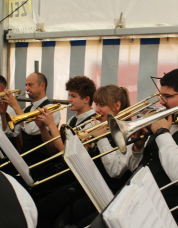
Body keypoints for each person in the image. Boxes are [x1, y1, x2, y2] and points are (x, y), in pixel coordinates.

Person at [105, 68, 178, 228]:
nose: (161, 102)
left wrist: (162, 134)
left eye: (168, 96)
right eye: (162, 96)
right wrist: (138, 148)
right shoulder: (169, 123)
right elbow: (138, 169)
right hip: (147, 208)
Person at [36, 84, 133, 228]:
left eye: (102, 105)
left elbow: (115, 172)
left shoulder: (129, 131)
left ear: (117, 105)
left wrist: (100, 139)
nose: (97, 110)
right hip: (88, 183)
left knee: (61, 220)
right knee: (44, 205)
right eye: (96, 104)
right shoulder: (101, 126)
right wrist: (86, 151)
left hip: (106, 192)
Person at [0, 72, 60, 165]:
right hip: (26, 157)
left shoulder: (50, 108)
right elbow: (11, 132)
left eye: (30, 85)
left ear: (42, 86)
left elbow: (31, 129)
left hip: (42, 160)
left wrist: (15, 105)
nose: (26, 88)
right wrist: (3, 114)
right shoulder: (27, 109)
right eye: (26, 85)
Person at [35, 75, 97, 152]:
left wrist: (51, 124)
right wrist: (42, 127)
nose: (69, 100)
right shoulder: (73, 119)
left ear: (86, 99)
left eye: (73, 96)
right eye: (69, 96)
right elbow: (54, 148)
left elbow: (66, 152)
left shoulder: (94, 122)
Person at [0, 75, 20, 166]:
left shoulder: (10, 108)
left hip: (0, 150)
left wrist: (2, 114)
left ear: (1, 88)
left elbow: (5, 133)